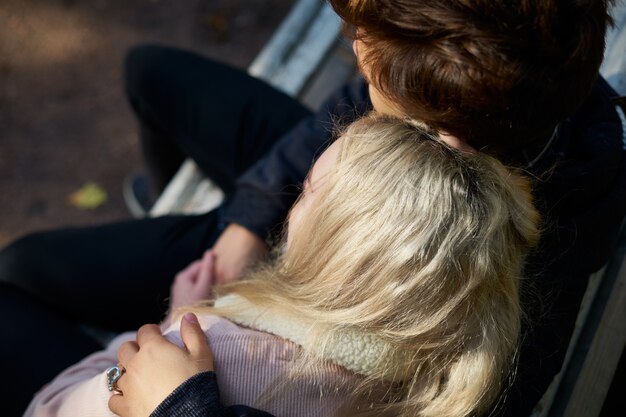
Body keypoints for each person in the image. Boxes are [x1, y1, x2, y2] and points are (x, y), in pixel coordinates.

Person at [0, 0, 623, 415]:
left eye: (364, 43)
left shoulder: (499, 294)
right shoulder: (515, 95)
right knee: (151, 72)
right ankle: (205, 216)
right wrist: (244, 224)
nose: (354, 49)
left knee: (25, 269)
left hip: (316, 290)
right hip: (295, 251)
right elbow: (340, 112)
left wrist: (191, 365)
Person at [24, 116, 541, 417]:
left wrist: (171, 326)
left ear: (342, 241)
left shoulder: (199, 362)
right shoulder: (439, 377)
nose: (293, 203)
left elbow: (46, 408)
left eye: (309, 190)